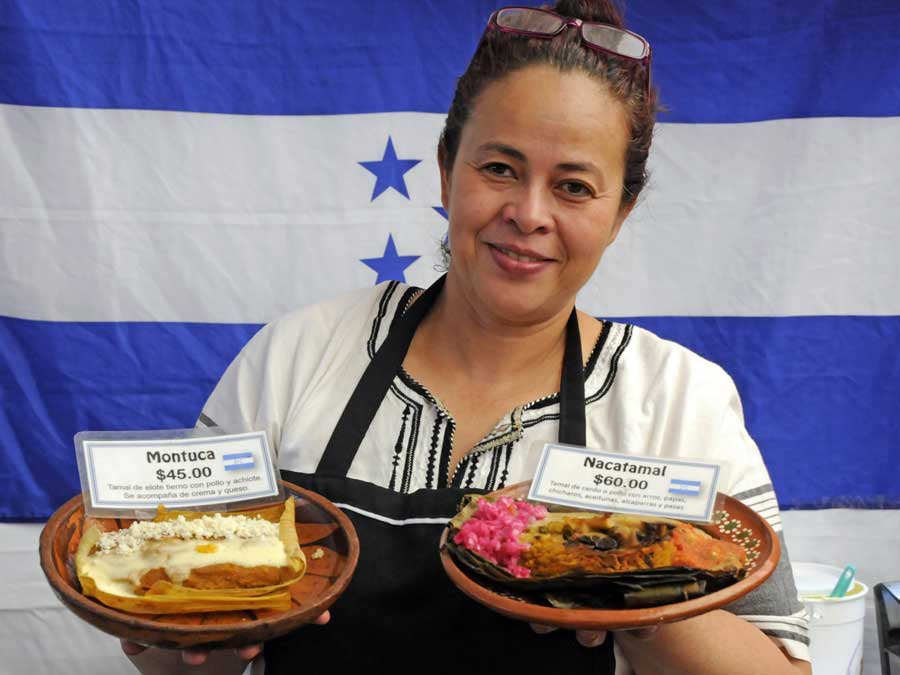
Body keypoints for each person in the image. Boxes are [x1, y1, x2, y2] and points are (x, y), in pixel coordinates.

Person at [123, 1, 812, 673]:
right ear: (447, 170)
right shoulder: (294, 357)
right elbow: (170, 649)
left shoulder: (679, 401)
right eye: (499, 168)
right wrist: (174, 633)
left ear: (621, 210)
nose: (528, 213)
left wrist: (618, 579)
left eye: (573, 187)